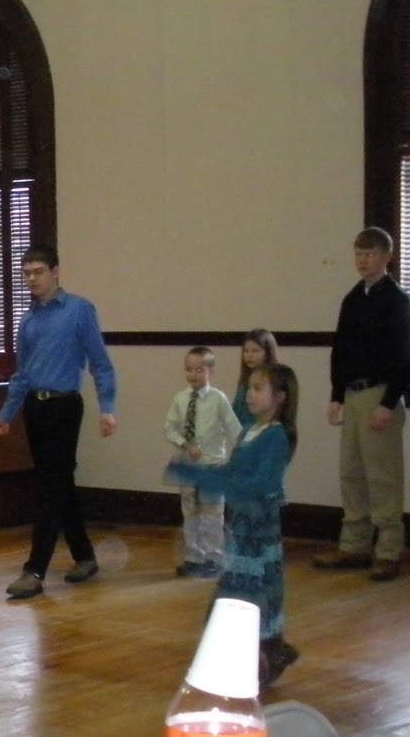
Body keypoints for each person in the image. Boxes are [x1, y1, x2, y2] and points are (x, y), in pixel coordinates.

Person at [0, 245, 118, 600]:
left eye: (38, 271)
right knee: (58, 483)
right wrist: (6, 416)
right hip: (35, 408)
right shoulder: (28, 320)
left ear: (56, 272)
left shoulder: (79, 310)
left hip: (64, 407)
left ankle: (35, 570)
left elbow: (100, 363)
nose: (32, 279)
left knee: (50, 489)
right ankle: (85, 556)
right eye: (27, 273)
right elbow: (22, 375)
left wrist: (108, 407)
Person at [167, 363, 301, 689]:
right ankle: (266, 652)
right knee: (240, 594)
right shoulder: (249, 432)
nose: (249, 395)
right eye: (249, 388)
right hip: (240, 533)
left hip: (257, 532)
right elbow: (232, 475)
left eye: (258, 389)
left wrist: (202, 478)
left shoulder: (276, 437)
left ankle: (268, 654)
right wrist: (198, 474)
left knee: (252, 596)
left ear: (280, 397)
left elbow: (257, 484)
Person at [314, 227, 409, 582]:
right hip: (353, 395)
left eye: (369, 254)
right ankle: (353, 544)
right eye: (358, 254)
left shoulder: (397, 301)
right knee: (351, 472)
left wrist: (388, 402)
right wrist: (337, 395)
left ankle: (387, 551)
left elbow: (404, 357)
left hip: (379, 394)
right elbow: (341, 350)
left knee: (382, 476)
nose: (362, 260)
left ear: (387, 257)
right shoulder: (353, 299)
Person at [164, 346, 241, 579]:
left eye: (199, 369)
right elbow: (169, 427)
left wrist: (241, 455)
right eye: (189, 369)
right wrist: (184, 444)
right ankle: (194, 557)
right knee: (190, 511)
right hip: (188, 466)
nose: (193, 374)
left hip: (213, 466)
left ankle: (214, 557)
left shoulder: (218, 399)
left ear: (211, 372)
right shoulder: (180, 398)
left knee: (212, 513)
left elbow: (233, 428)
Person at [231, 328, 280, 428]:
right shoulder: (244, 381)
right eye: (246, 351)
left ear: (268, 352)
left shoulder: (275, 379)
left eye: (255, 351)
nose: (249, 355)